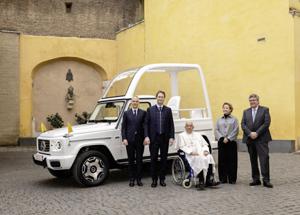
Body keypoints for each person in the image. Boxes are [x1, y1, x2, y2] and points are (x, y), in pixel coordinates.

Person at [241, 94, 273, 188]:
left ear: (258, 101)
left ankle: (266, 180)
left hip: (262, 138)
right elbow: (243, 124)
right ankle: (256, 179)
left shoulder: (265, 110)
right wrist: (250, 133)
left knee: (264, 159)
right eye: (250, 100)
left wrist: (257, 133)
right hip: (249, 139)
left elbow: (266, 123)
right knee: (253, 159)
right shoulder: (245, 111)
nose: (252, 102)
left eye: (254, 100)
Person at [144, 90, 175, 187]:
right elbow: (146, 124)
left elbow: (171, 125)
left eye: (162, 97)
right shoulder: (150, 110)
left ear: (164, 98)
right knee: (153, 159)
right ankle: (154, 180)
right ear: (156, 98)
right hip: (154, 138)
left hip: (164, 138)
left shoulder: (168, 110)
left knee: (163, 159)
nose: (160, 98)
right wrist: (146, 136)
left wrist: (171, 137)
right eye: (159, 97)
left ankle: (162, 179)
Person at [176, 121, 219, 190]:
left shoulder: (198, 134)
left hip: (200, 152)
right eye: (187, 126)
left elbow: (204, 144)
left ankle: (208, 180)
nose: (189, 127)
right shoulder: (181, 136)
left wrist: (205, 151)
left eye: (190, 126)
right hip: (189, 155)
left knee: (209, 157)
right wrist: (191, 152)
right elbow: (181, 147)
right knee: (199, 159)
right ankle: (201, 181)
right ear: (185, 127)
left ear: (193, 127)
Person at [121, 96, 146, 187]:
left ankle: (139, 179)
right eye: (133, 101)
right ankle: (132, 179)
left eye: (136, 101)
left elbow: (145, 126)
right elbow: (123, 127)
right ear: (131, 102)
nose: (135, 103)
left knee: (139, 160)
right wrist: (124, 138)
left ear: (139, 102)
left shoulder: (143, 113)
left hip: (140, 141)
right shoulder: (126, 113)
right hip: (129, 140)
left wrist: (145, 137)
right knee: (131, 160)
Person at [215, 102, 239, 184]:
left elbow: (236, 130)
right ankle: (223, 178)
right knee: (222, 160)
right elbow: (216, 130)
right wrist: (222, 138)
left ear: (230, 109)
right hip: (221, 142)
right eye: (224, 107)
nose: (225, 109)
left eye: (227, 108)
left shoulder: (234, 119)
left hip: (231, 142)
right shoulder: (219, 119)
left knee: (232, 161)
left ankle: (232, 179)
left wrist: (228, 138)